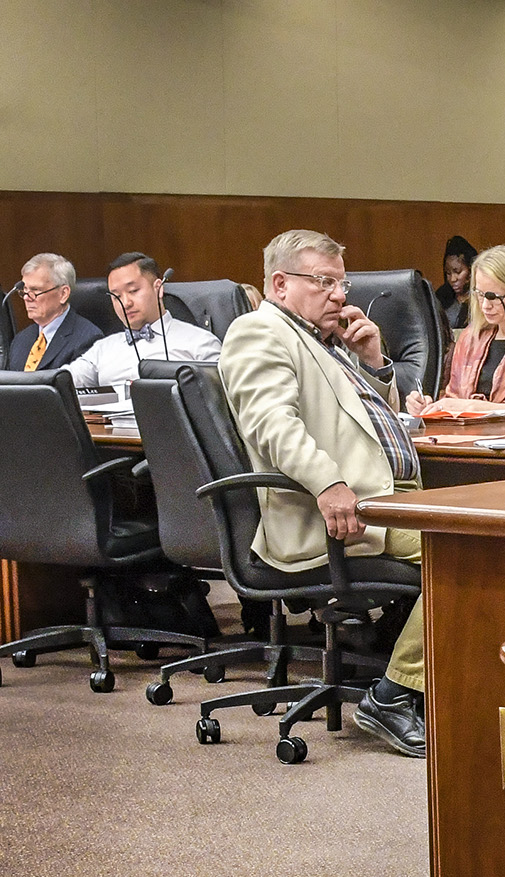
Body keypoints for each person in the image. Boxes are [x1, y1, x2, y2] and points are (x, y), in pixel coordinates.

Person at [218, 230, 428, 757]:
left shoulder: (316, 338)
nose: (339, 294)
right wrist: (329, 483)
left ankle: (414, 685)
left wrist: (375, 363)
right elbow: (273, 424)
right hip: (335, 512)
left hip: (386, 498)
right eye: (325, 282)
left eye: (341, 282)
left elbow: (364, 419)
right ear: (281, 283)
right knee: (480, 552)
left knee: (489, 539)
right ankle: (394, 694)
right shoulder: (259, 331)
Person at [410, 245, 505, 413]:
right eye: (479, 294)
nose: (485, 305)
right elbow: (453, 399)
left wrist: (473, 407)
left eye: (493, 297)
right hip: (464, 435)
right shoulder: (470, 336)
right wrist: (430, 406)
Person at [61, 252, 222, 389]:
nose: (125, 303)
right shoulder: (102, 349)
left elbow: (222, 402)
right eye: (116, 296)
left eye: (133, 291)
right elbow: (61, 381)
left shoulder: (200, 343)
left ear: (158, 288)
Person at [7, 254, 97, 372]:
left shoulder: (88, 338)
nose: (26, 298)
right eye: (25, 291)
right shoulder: (21, 339)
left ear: (63, 294)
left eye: (35, 290)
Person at [435, 235, 477, 331]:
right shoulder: (441, 297)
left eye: (457, 272)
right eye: (448, 273)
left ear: (471, 270)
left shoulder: (481, 299)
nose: (453, 279)